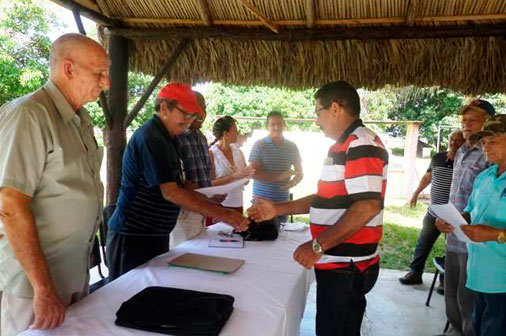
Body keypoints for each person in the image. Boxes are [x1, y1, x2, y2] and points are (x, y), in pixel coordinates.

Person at [248, 81, 388, 336]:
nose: (316, 120)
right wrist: (277, 209)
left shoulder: (360, 143)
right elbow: (325, 198)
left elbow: (367, 206)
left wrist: (317, 245)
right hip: (339, 262)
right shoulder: (345, 145)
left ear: (335, 108)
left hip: (347, 265)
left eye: (318, 111)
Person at [0, 33, 109, 335]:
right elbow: (10, 204)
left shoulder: (80, 119)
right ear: (69, 69)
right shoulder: (30, 115)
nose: (106, 82)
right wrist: (43, 289)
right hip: (32, 289)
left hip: (71, 277)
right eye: (98, 73)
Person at [106, 83, 249, 281]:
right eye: (185, 115)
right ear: (164, 108)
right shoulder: (151, 137)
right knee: (126, 298)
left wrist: (208, 200)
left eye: (192, 116)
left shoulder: (169, 137)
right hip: (134, 236)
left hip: (155, 234)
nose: (190, 121)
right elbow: (170, 192)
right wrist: (222, 213)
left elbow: (182, 185)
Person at [437, 115, 506, 336]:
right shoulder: (485, 177)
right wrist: (453, 220)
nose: (486, 147)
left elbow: (493, 232)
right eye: (483, 142)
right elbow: (470, 212)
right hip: (479, 276)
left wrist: (496, 234)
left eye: (492, 141)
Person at [399, 130, 465, 290]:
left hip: (453, 213)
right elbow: (428, 177)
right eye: (452, 139)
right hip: (434, 211)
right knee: (423, 242)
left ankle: (445, 281)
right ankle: (415, 273)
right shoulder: (438, 157)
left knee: (449, 247)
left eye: (458, 140)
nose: (454, 143)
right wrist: (415, 193)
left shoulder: (464, 160)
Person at [169, 91, 214, 248]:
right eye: (197, 108)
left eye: (205, 108)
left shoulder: (200, 137)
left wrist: (212, 194)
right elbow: (170, 184)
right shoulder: (175, 137)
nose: (203, 113)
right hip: (183, 214)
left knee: (200, 256)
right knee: (181, 259)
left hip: (201, 211)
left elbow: (205, 174)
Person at [248, 111, 303, 221]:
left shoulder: (292, 146)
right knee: (261, 235)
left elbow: (300, 173)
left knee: (282, 234)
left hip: (283, 204)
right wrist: (279, 177)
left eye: (280, 123)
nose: (277, 127)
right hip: (261, 203)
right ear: (267, 127)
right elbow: (252, 173)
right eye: (273, 124)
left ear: (284, 125)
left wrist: (293, 182)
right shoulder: (259, 145)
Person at [209, 116, 254, 215]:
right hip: (219, 205)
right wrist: (234, 176)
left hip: (237, 202)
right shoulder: (212, 153)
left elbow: (245, 181)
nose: (237, 134)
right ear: (225, 134)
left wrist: (247, 175)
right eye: (235, 131)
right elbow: (210, 183)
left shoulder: (238, 152)